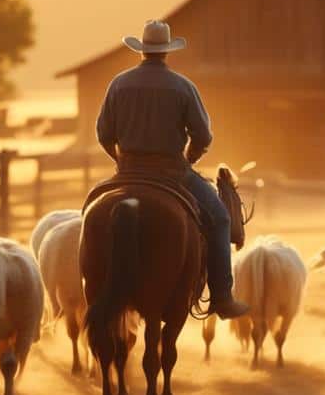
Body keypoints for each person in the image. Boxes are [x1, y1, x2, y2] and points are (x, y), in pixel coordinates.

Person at [95, 20, 249, 320]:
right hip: (172, 172)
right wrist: (190, 158)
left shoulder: (119, 83)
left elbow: (103, 133)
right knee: (219, 218)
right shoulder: (182, 86)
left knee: (91, 212)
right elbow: (203, 136)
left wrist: (120, 162)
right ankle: (221, 296)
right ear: (166, 52)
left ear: (142, 50)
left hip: (127, 171)